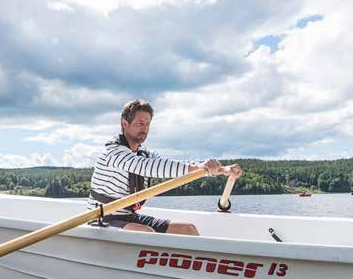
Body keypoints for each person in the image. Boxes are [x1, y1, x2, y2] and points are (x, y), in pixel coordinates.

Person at [87, 99, 243, 235]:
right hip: (101, 219)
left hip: (129, 217)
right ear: (124, 123)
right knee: (146, 234)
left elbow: (173, 165)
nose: (144, 128)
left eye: (147, 124)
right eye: (140, 123)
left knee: (187, 229)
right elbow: (149, 167)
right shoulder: (113, 152)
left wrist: (222, 170)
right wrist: (203, 167)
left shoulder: (144, 154)